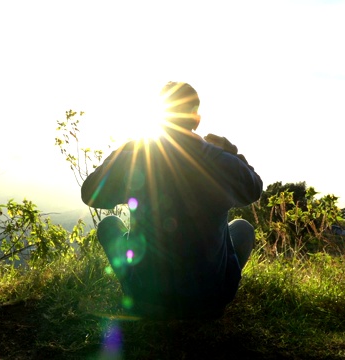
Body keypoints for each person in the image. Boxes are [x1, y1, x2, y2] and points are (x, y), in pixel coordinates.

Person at [81, 82, 263, 320]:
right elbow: (254, 189)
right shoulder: (221, 161)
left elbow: (90, 194)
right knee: (242, 228)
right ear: (196, 120)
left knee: (109, 226)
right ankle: (211, 294)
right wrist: (231, 151)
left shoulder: (136, 157)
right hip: (210, 301)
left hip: (148, 300)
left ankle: (135, 290)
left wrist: (123, 150)